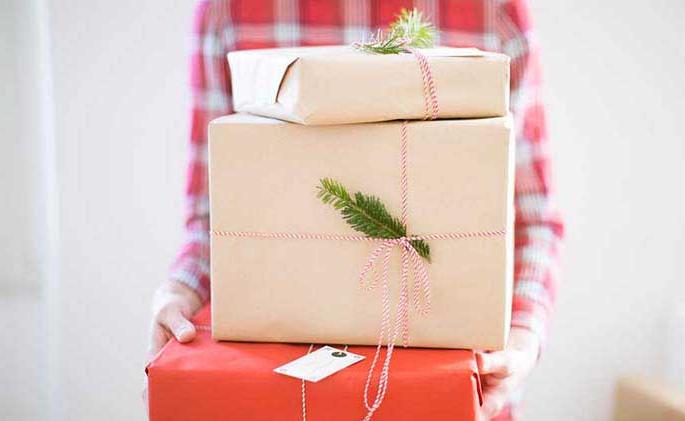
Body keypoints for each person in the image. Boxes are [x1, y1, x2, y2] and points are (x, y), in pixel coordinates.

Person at [147, 1, 563, 419]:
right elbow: (213, 217)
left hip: (456, 386)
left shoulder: (493, 11)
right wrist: (180, 292)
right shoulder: (229, 11)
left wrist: (523, 341)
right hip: (271, 391)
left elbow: (533, 218)